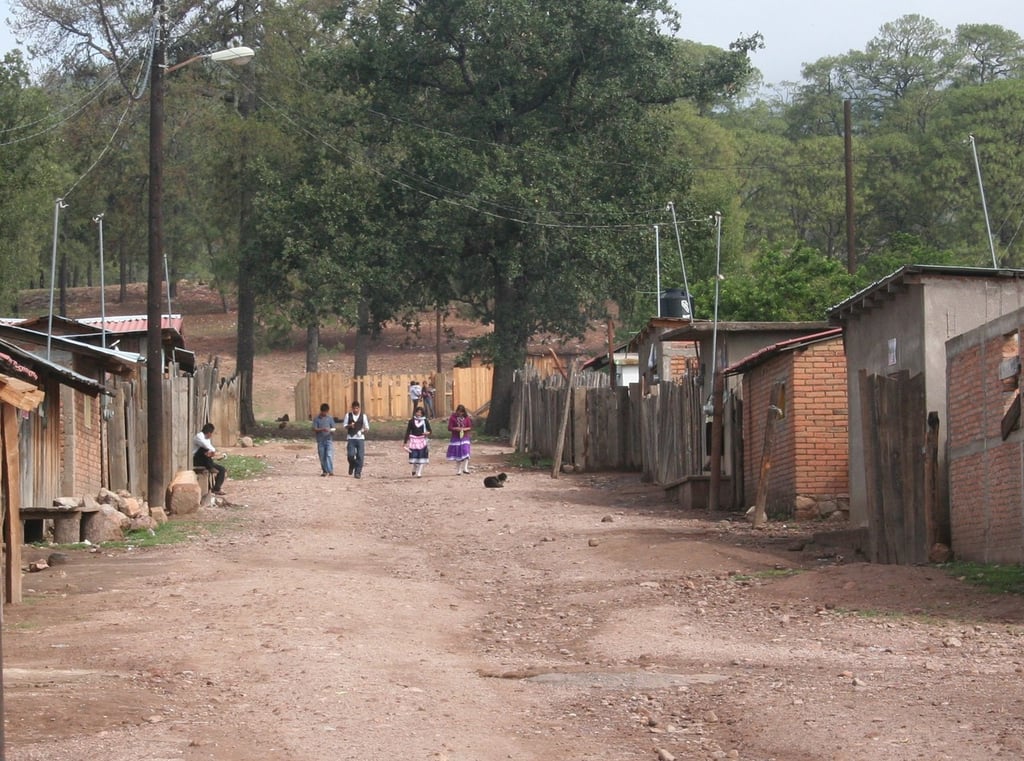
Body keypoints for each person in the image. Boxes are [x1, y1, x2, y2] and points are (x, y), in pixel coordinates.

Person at [192, 422, 227, 494]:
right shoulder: (199, 437)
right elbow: (206, 446)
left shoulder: (206, 439)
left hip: (206, 461)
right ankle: (210, 467)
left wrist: (213, 453)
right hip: (196, 459)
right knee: (204, 450)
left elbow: (211, 448)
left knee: (222, 469)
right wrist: (212, 452)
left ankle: (216, 488)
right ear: (209, 433)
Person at [341, 401, 369, 478]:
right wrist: (350, 425)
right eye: (354, 408)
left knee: (360, 456)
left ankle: (357, 472)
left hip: (360, 438)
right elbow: (344, 426)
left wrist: (362, 430)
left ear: (359, 408)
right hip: (351, 438)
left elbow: (367, 428)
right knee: (350, 455)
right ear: (352, 408)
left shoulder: (363, 416)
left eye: (357, 408)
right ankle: (352, 464)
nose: (355, 410)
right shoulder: (348, 415)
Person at [403, 406, 432, 477]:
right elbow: (408, 431)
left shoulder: (425, 421)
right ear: (415, 412)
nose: (419, 414)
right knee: (414, 456)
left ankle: (419, 473)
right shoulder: (411, 421)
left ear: (422, 414)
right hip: (414, 441)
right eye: (417, 412)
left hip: (422, 440)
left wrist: (427, 433)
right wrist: (405, 441)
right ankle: (415, 467)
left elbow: (430, 430)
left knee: (422, 456)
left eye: (420, 412)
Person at [446, 404, 473, 475]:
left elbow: (469, 427)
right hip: (456, 437)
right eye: (459, 411)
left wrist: (464, 429)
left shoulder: (466, 417)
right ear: (457, 411)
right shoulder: (453, 417)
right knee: (458, 453)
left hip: (465, 437)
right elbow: (449, 428)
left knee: (466, 451)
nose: (460, 413)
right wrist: (456, 428)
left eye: (462, 412)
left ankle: (465, 468)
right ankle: (458, 470)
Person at [312, 403, 336, 477]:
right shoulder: (316, 419)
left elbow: (334, 428)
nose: (325, 413)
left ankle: (330, 470)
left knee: (329, 455)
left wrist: (331, 431)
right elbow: (314, 429)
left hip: (328, 439)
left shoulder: (330, 418)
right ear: (321, 411)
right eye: (323, 412)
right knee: (322, 456)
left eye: (326, 412)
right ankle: (324, 470)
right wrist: (322, 429)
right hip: (320, 440)